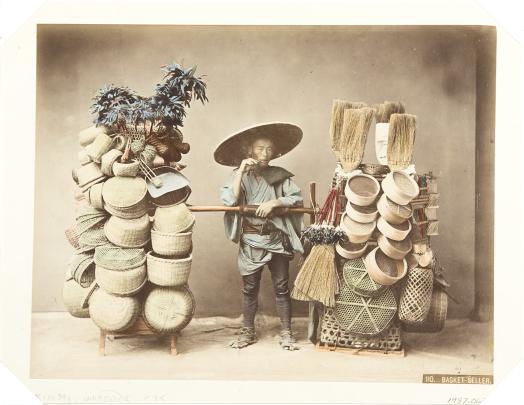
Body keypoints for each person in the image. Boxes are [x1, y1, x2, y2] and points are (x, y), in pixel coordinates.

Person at [214, 123, 304, 350]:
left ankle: (286, 332)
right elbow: (230, 201)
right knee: (249, 288)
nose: (264, 153)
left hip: (276, 239)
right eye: (260, 148)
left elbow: (296, 198)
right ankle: (247, 332)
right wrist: (241, 172)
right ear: (249, 151)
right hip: (251, 241)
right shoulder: (239, 175)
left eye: (269, 149)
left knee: (282, 288)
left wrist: (275, 202)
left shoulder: (279, 176)